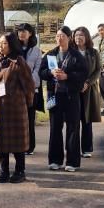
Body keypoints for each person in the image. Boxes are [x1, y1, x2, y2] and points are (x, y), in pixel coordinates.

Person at [40, 26, 88, 171]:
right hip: (54, 95)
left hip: (71, 96)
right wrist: (51, 73)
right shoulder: (50, 54)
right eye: (57, 36)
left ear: (69, 38)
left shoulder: (76, 55)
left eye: (62, 36)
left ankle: (72, 162)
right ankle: (55, 160)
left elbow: (83, 73)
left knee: (73, 128)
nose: (59, 38)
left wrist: (67, 76)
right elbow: (41, 72)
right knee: (55, 128)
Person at [0, 32, 35, 183]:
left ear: (12, 45)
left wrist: (26, 104)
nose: (1, 46)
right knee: (1, 141)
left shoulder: (19, 62)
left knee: (17, 142)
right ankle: (4, 171)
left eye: (4, 43)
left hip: (15, 109)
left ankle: (20, 171)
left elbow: (29, 85)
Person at [73, 26, 101, 158]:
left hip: (89, 90)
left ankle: (86, 148)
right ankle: (73, 148)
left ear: (87, 37)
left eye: (81, 35)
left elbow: (98, 70)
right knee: (74, 120)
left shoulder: (93, 52)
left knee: (87, 119)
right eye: (76, 35)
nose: (78, 37)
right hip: (74, 89)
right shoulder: (71, 51)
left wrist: (88, 83)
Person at [17, 23, 43, 155]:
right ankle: (18, 145)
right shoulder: (13, 48)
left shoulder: (36, 51)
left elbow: (38, 69)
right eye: (20, 31)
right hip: (15, 89)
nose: (21, 33)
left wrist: (27, 82)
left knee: (29, 118)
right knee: (17, 119)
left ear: (30, 33)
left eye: (24, 31)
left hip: (31, 89)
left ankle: (29, 146)